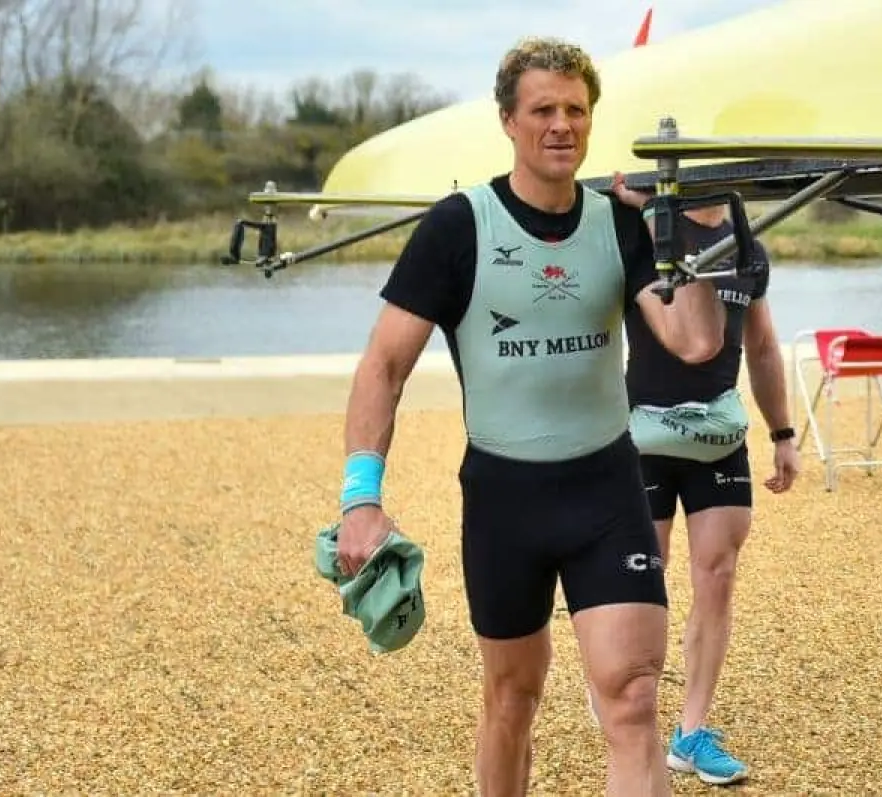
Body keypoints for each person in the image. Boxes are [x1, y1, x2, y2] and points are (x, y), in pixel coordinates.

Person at [331, 36, 727, 797]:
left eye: (575, 110)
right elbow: (382, 367)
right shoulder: (458, 227)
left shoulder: (619, 223)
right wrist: (361, 496)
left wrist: (691, 234)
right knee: (512, 699)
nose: (561, 125)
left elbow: (693, 339)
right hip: (505, 500)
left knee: (635, 698)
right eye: (542, 109)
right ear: (508, 120)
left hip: (608, 490)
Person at [617, 203, 799, 786]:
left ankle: (691, 734)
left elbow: (764, 347)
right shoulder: (643, 232)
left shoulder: (748, 245)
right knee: (643, 575)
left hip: (718, 436)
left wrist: (783, 434)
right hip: (643, 430)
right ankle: (624, 703)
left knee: (716, 574)